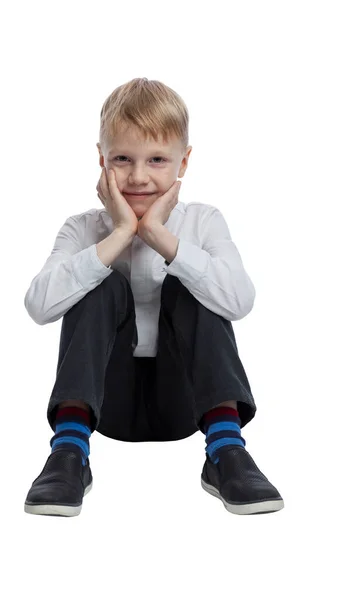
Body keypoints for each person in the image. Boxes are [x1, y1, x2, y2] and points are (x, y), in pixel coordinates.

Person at [23, 77, 284, 517]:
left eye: (157, 160)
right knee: (95, 279)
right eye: (123, 159)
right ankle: (68, 453)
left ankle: (226, 452)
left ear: (183, 162)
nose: (139, 176)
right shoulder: (82, 228)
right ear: (101, 160)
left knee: (194, 281)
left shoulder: (204, 221)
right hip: (106, 404)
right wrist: (121, 233)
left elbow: (240, 301)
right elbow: (39, 306)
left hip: (185, 401)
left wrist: (163, 240)